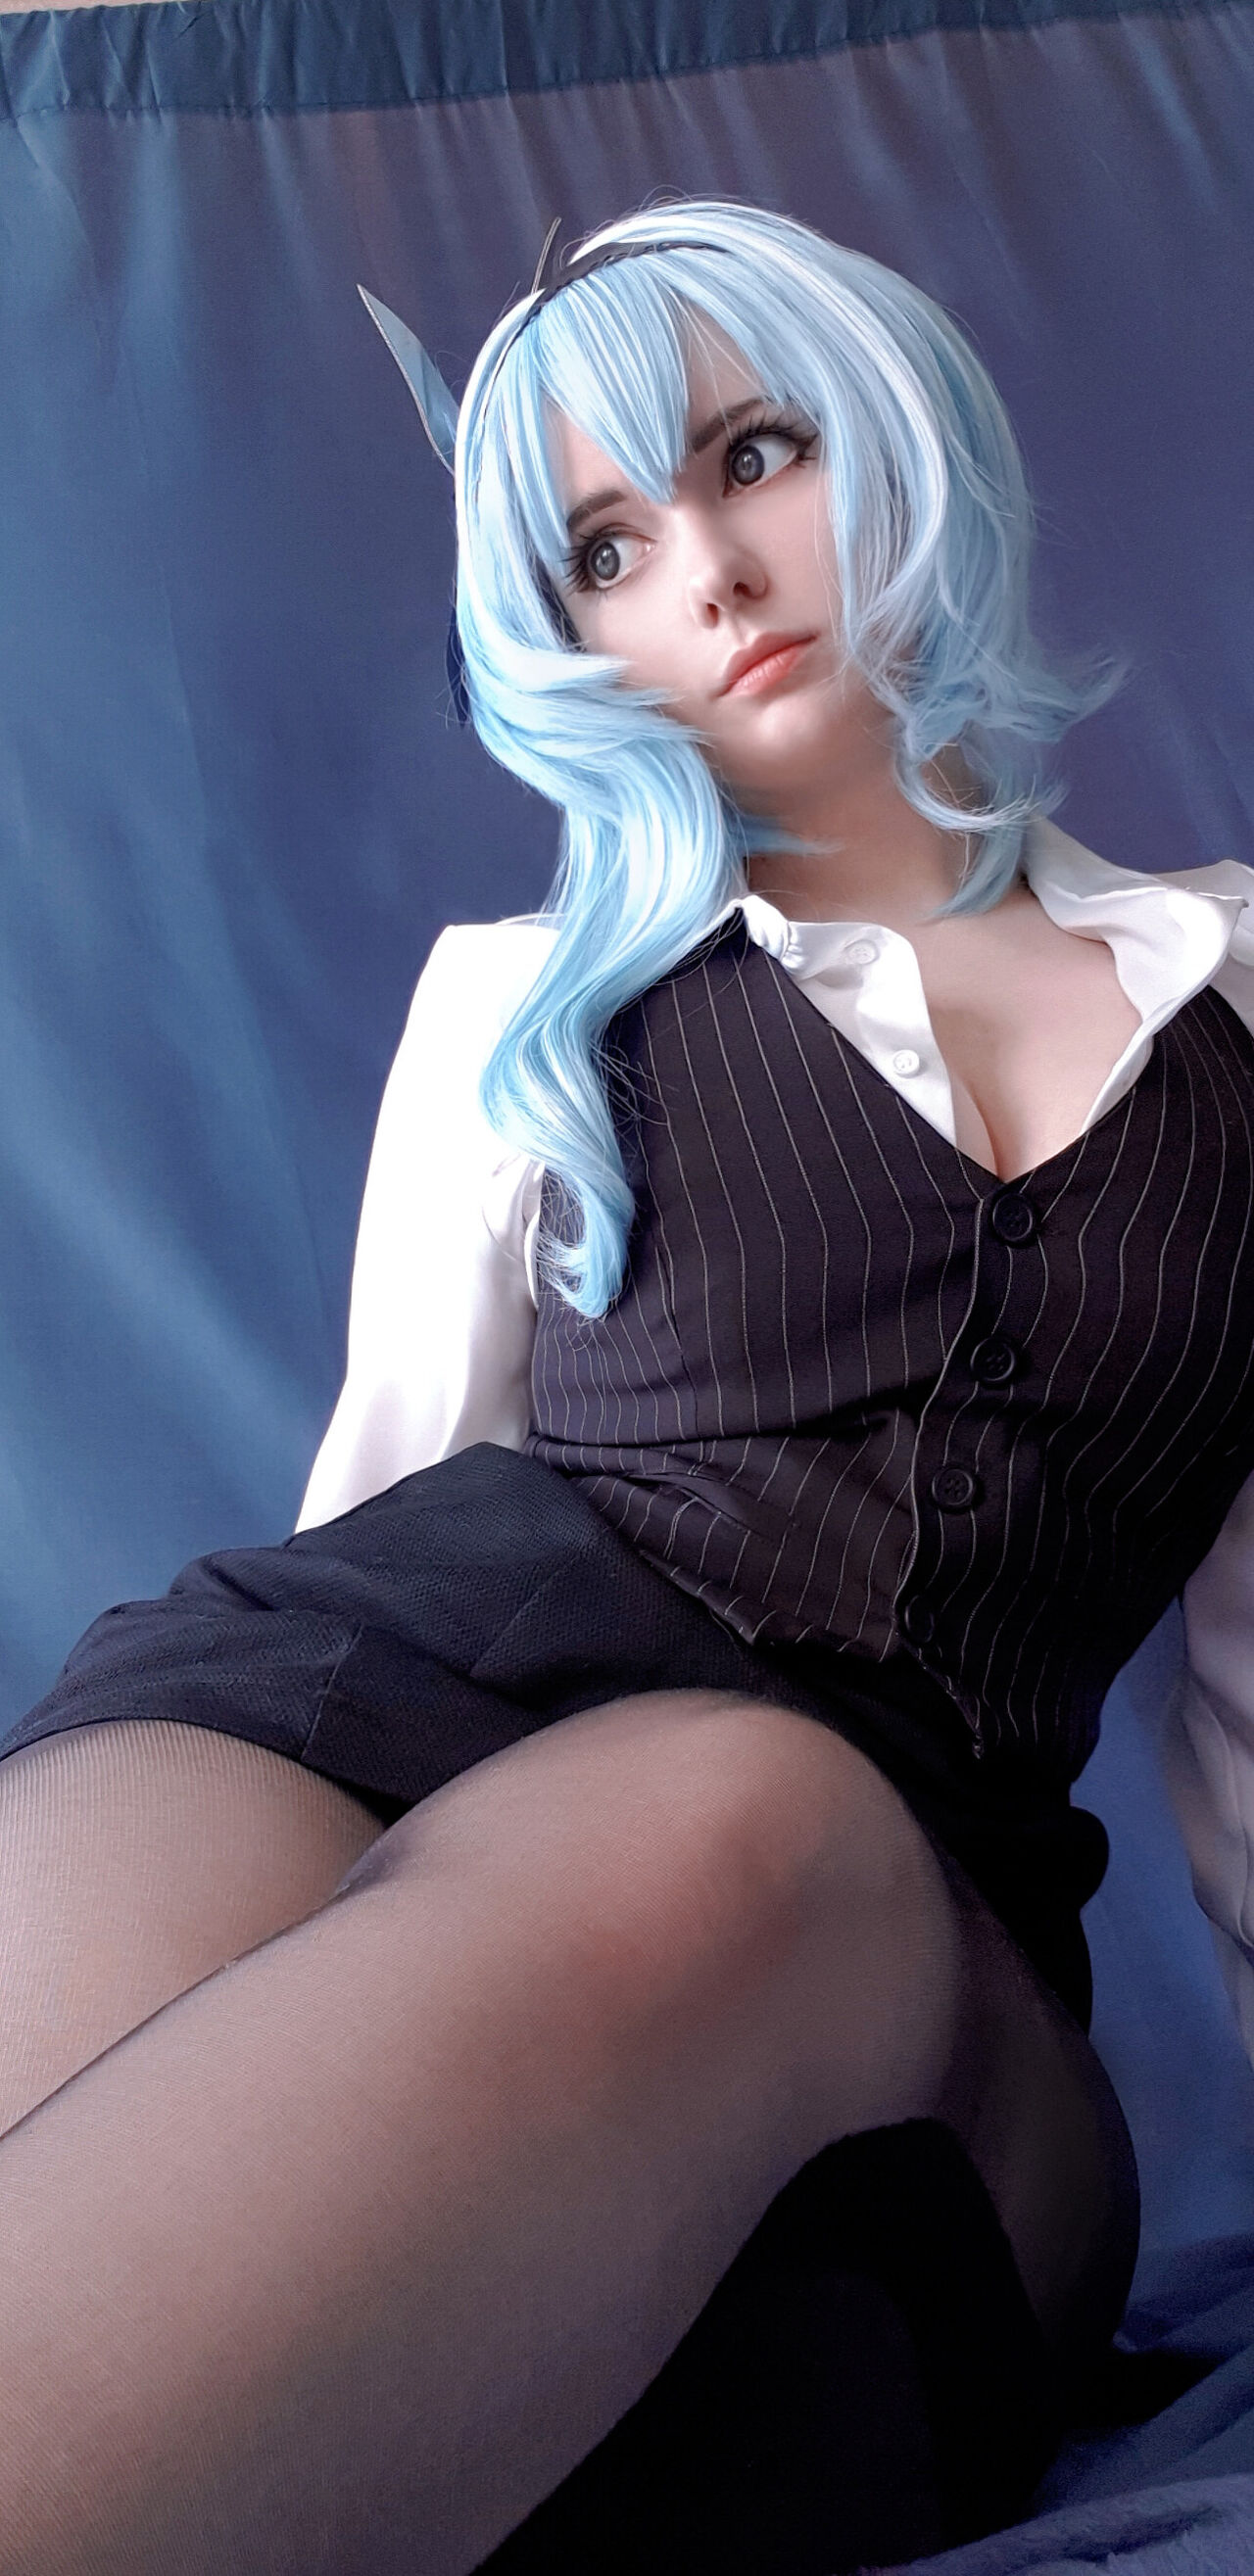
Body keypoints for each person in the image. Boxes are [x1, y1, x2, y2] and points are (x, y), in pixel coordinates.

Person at [0, 193, 1252, 2576]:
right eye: (602, 547)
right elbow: (382, 1498)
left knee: (725, 1814)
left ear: (896, 426)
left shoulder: (1237, 1010)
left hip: (919, 1954)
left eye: (755, 450)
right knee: (124, 2015)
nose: (707, 568)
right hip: (401, 1706)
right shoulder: (517, 1002)